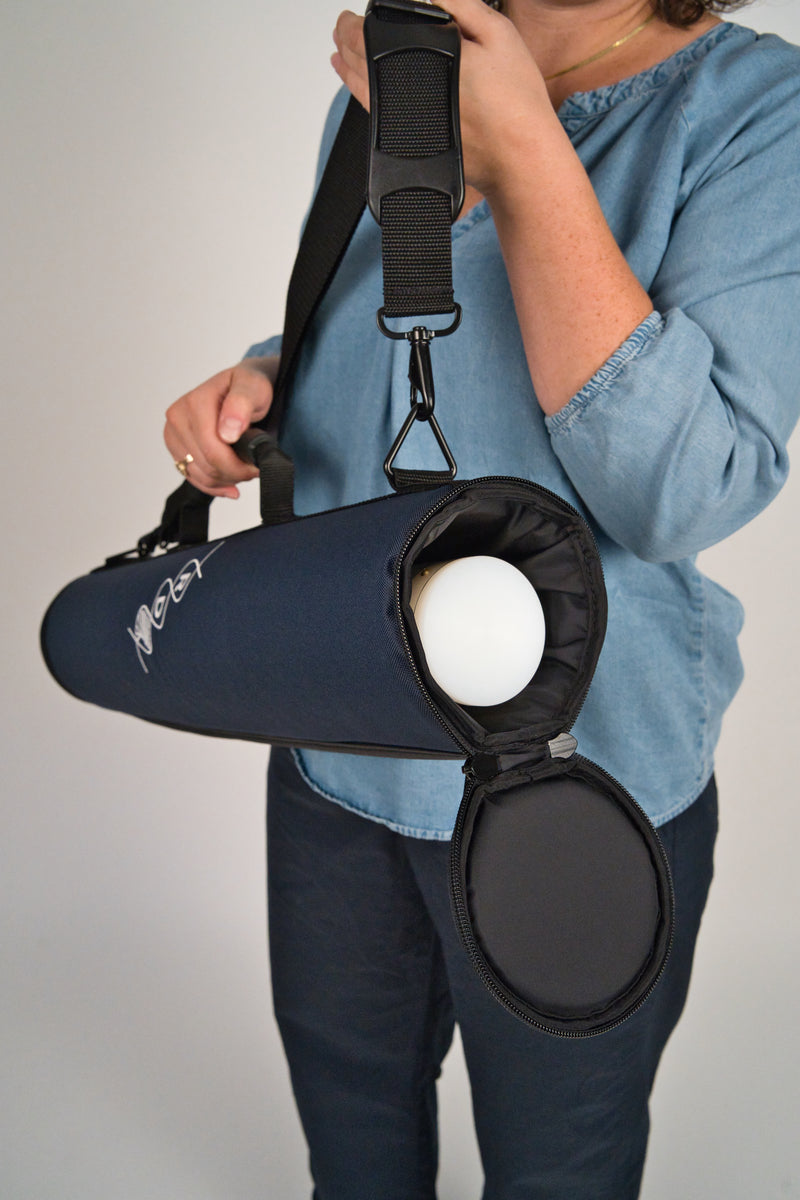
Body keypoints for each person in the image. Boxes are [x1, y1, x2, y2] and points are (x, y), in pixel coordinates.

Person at [163, 1, 800, 1196]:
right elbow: (382, 350)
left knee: (559, 1168)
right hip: (337, 742)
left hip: (577, 787)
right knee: (352, 1140)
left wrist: (517, 150)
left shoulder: (756, 114)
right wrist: (263, 381)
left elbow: (678, 492)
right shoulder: (407, 60)